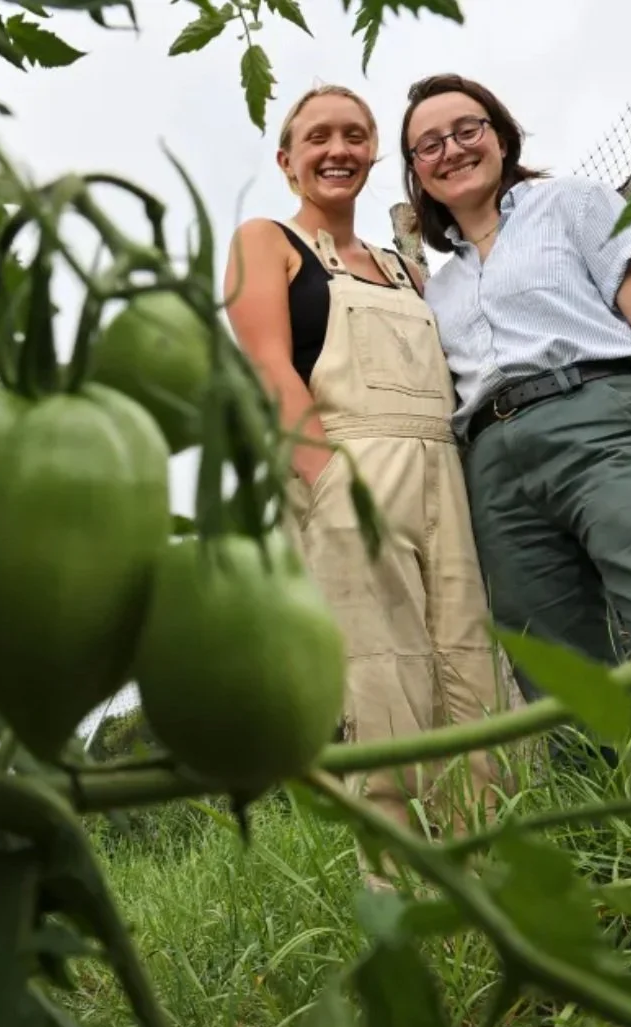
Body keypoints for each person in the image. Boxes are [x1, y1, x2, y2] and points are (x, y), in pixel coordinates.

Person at [398, 72, 631, 783]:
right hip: (492, 467)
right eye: (429, 145)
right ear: (417, 172)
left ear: (501, 136)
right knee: (558, 676)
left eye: (467, 129)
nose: (452, 150)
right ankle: (626, 834)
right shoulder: (436, 289)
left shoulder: (577, 203)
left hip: (598, 420)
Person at [222, 84, 510, 884]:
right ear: (287, 160)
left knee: (476, 678)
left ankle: (491, 881)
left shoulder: (405, 269)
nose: (338, 150)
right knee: (383, 688)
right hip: (348, 470)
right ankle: (403, 898)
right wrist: (331, 488)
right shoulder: (266, 242)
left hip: (442, 473)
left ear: (375, 152)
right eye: (318, 137)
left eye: (354, 135)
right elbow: (270, 369)